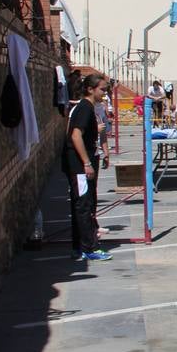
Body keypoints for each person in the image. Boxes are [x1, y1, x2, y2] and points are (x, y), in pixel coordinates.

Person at [64, 74, 111, 261]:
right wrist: (86, 162)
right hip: (79, 166)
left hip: (84, 163)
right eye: (102, 89)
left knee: (84, 203)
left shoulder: (90, 108)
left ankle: (79, 246)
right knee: (84, 205)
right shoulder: (84, 108)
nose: (105, 93)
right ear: (91, 89)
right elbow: (75, 136)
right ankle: (89, 247)